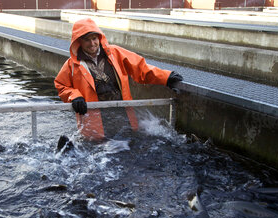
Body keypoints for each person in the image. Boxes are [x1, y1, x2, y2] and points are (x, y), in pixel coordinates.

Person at [54, 18, 183, 140]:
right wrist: (74, 96)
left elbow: (140, 68)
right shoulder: (71, 65)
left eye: (94, 38)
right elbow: (61, 85)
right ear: (79, 42)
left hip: (123, 116)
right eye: (87, 40)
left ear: (99, 38)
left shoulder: (115, 53)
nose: (92, 43)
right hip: (94, 125)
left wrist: (165, 77)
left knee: (127, 147)